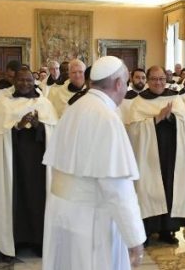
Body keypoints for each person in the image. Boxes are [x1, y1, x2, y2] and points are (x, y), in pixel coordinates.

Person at [41, 56, 145, 269]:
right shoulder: (106, 117)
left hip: (62, 212)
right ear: (118, 84)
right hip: (90, 220)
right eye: (126, 83)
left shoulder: (75, 108)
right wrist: (135, 239)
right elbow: (117, 187)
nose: (126, 88)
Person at [0, 68, 58, 258]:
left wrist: (39, 125)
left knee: (38, 200)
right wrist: (18, 125)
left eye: (29, 80)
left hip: (38, 166)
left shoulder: (44, 103)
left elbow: (53, 133)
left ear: (35, 82)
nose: (25, 84)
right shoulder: (3, 104)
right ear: (14, 81)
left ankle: (39, 241)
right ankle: (12, 241)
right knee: (12, 199)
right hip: (12, 163)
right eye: (21, 80)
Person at [124, 66, 185, 245]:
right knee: (147, 189)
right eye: (154, 79)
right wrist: (156, 119)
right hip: (148, 156)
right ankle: (146, 231)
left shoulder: (175, 98)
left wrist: (171, 118)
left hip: (171, 154)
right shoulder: (139, 102)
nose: (159, 82)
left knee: (170, 189)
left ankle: (167, 230)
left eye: (162, 78)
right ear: (147, 81)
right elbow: (133, 130)